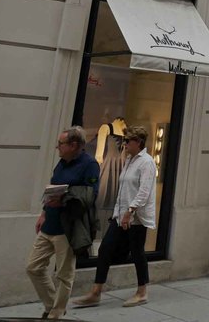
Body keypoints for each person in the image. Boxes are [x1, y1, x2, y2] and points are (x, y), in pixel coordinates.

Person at [73, 126, 157, 308]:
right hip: (120, 216)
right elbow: (124, 189)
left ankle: (142, 292)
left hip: (136, 217)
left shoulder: (147, 162)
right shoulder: (129, 160)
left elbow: (144, 191)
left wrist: (130, 211)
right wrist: (119, 212)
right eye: (125, 140)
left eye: (128, 141)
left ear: (138, 142)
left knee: (137, 253)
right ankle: (96, 292)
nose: (125, 144)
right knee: (105, 250)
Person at [26, 126, 100, 320]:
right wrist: (43, 213)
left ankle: (56, 313)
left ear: (73, 145)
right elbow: (52, 188)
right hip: (49, 223)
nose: (57, 147)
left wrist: (64, 200)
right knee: (33, 267)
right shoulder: (61, 163)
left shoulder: (89, 164)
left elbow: (90, 196)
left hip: (67, 228)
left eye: (61, 143)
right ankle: (52, 305)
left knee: (64, 275)